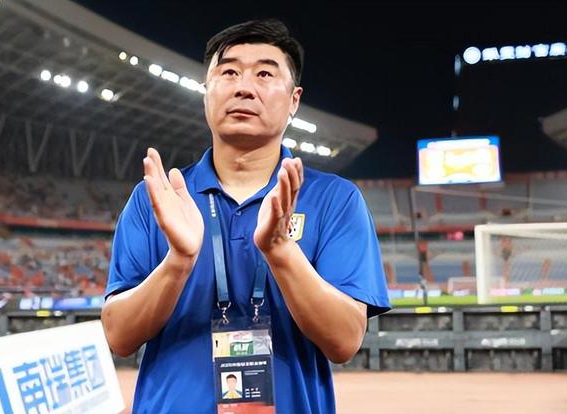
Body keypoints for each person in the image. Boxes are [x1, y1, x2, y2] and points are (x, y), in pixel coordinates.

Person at [102, 18, 391, 413]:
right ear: (206, 91)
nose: (244, 87)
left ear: (294, 100)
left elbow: (344, 341)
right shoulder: (159, 198)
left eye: (265, 74)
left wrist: (280, 250)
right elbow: (119, 337)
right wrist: (178, 262)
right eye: (229, 72)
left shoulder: (335, 200)